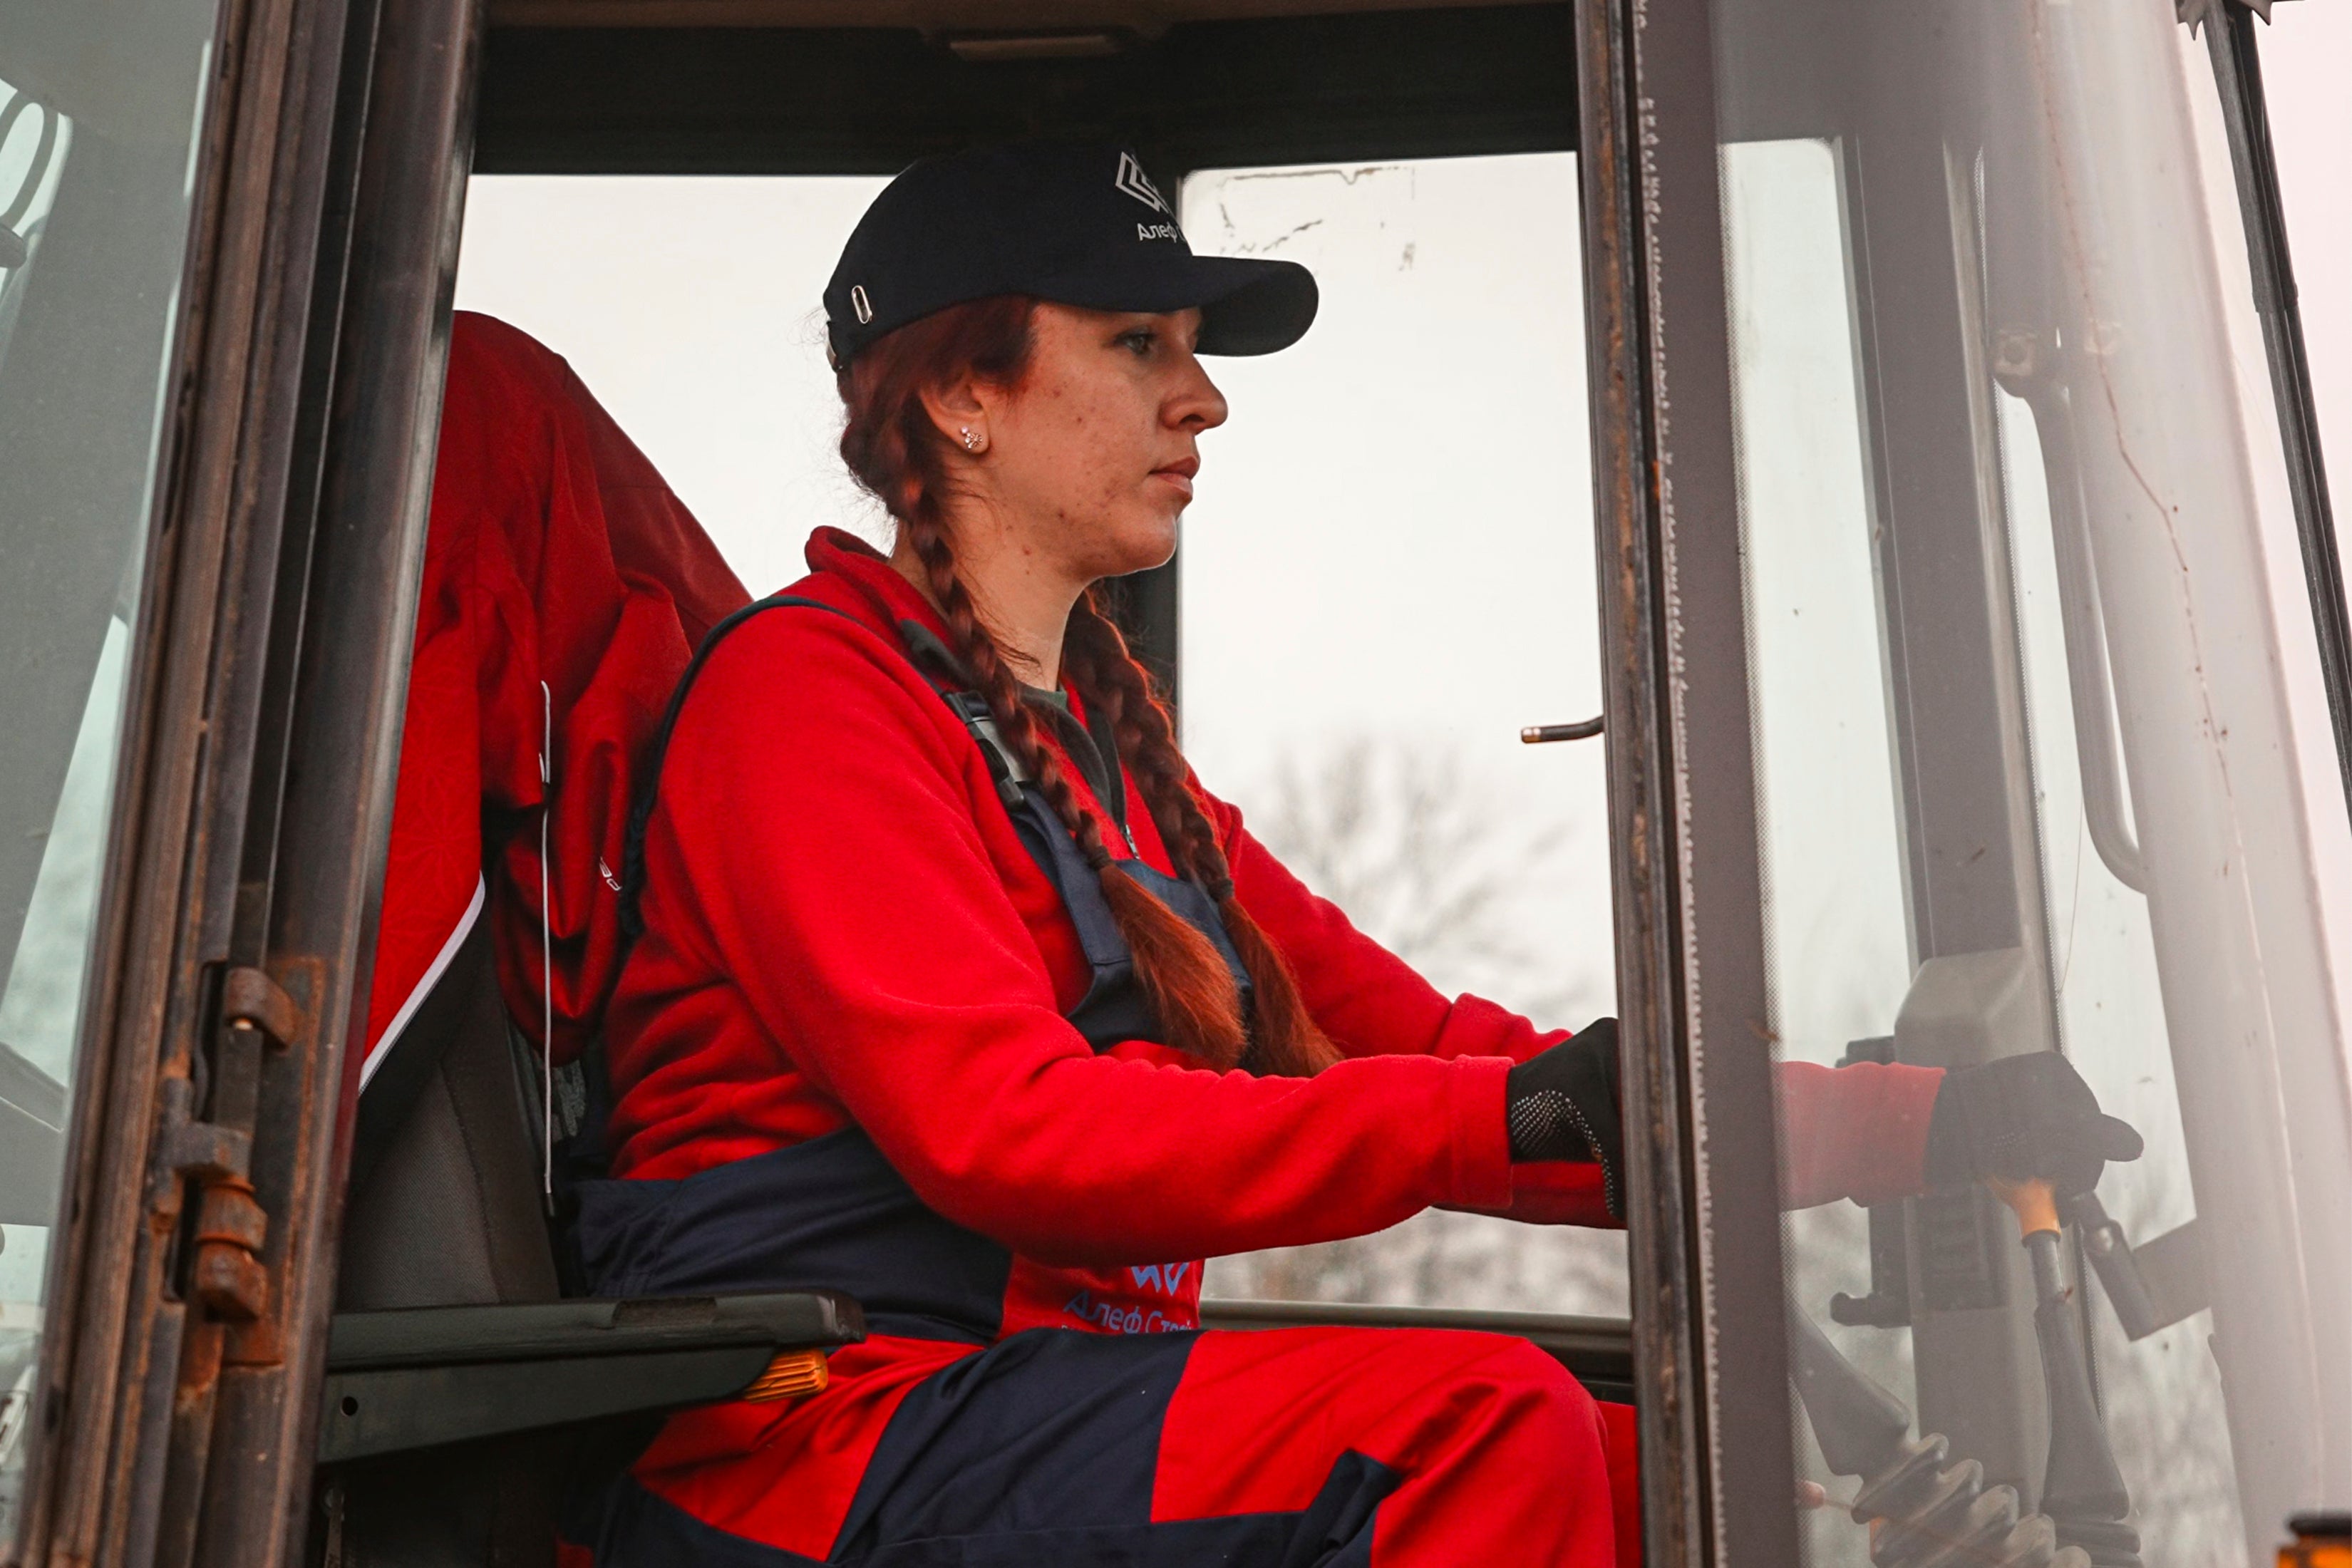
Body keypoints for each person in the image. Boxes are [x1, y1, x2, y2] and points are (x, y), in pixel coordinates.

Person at [559, 142, 2141, 1567]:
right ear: (960, 397)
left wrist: (1920, 1122)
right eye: (1138, 344)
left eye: (1190, 353)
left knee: (1662, 1466)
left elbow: (1451, 1051)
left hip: (1029, 1419)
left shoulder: (1109, 762)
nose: (1205, 398)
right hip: (817, 1456)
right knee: (1481, 1427)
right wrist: (1482, 1124)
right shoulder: (807, 701)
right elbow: (1006, 1134)